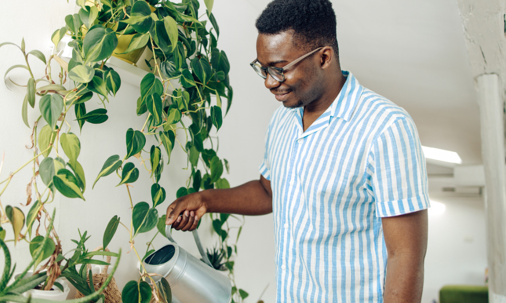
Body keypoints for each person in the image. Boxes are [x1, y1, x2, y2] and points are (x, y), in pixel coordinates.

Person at [165, 0, 429, 302]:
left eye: (279, 70)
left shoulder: (385, 127)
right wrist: (206, 199)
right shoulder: (283, 119)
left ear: (324, 57)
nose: (268, 82)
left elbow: (405, 255)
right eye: (262, 69)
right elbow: (270, 192)